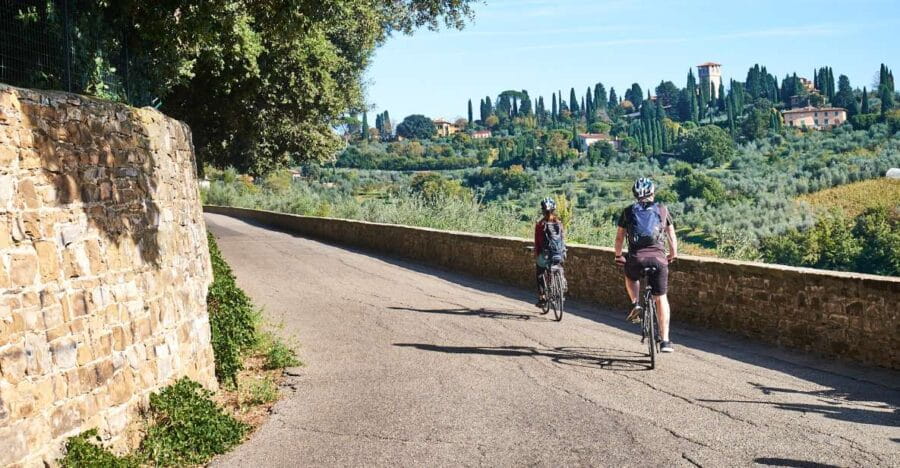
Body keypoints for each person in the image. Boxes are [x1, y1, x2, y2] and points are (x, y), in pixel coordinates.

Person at [613, 178, 678, 353]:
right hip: (658, 258)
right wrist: (673, 254)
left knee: (630, 275)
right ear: (653, 193)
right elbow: (671, 236)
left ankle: (635, 303)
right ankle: (665, 341)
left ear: (635, 195)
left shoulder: (628, 212)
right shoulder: (662, 210)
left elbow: (619, 238)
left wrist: (618, 255)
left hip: (636, 258)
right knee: (661, 297)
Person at [534, 197, 565, 307]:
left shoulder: (540, 224)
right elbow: (562, 239)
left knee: (539, 272)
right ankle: (555, 287)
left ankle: (542, 297)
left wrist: (537, 255)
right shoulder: (559, 223)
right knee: (555, 266)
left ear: (542, 210)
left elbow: (537, 243)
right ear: (554, 210)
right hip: (558, 254)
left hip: (546, 255)